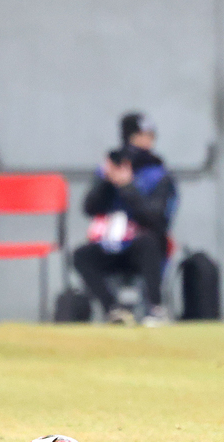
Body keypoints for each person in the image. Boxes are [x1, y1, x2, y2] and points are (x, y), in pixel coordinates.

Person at [73, 112, 178, 326]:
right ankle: (113, 309)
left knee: (149, 243)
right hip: (113, 243)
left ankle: (155, 308)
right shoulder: (109, 169)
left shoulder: (158, 174)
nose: (147, 141)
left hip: (143, 246)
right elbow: (89, 208)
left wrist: (128, 187)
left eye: (150, 136)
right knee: (82, 255)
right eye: (141, 135)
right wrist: (107, 182)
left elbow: (156, 220)